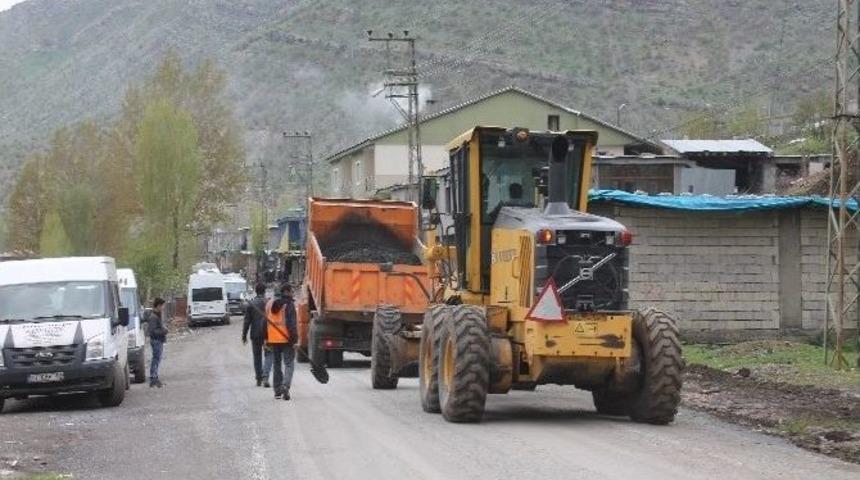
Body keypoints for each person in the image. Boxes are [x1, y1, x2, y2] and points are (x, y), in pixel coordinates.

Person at [265, 284, 298, 400]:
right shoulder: (289, 304)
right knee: (289, 363)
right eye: (292, 291)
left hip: (273, 339)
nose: (293, 293)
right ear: (287, 292)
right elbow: (291, 325)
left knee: (277, 364)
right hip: (286, 339)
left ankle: (277, 390)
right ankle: (285, 385)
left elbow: (265, 322)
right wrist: (295, 340)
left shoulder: (269, 304)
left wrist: (266, 338)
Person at [242, 283, 270, 388]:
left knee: (257, 356)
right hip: (268, 334)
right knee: (268, 355)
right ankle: (265, 376)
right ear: (264, 291)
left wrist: (244, 335)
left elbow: (247, 321)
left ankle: (259, 378)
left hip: (256, 334)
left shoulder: (251, 304)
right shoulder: (268, 303)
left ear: (256, 291)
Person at [147, 298, 168, 388]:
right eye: (162, 305)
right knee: (155, 360)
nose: (163, 307)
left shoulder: (157, 315)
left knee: (157, 359)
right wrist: (164, 331)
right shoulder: (153, 317)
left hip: (158, 340)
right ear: (158, 305)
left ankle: (155, 379)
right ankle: (153, 379)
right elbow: (152, 331)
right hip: (156, 341)